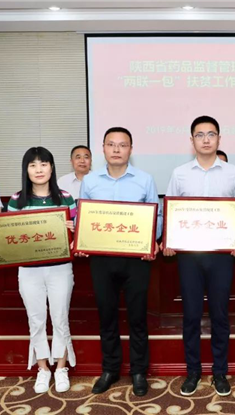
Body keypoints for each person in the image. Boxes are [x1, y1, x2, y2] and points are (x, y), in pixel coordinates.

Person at [163, 115, 235, 397]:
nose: (206, 140)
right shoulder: (180, 173)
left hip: (222, 256)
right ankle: (193, 371)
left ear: (219, 139)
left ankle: (220, 372)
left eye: (211, 134)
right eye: (200, 135)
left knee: (220, 315)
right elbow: (171, 209)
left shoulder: (233, 173)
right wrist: (169, 240)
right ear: (192, 141)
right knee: (191, 315)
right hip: (189, 256)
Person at [0, 147, 77, 394]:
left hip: (60, 269)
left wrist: (73, 232)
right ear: (26, 170)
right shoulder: (17, 200)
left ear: (52, 168)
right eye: (33, 165)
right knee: (36, 320)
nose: (39, 169)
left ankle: (61, 367)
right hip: (29, 270)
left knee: (60, 318)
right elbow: (8, 233)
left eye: (44, 164)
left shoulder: (66, 197)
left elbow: (79, 233)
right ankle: (42, 368)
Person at [79, 127, 162, 397]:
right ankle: (110, 369)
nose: (116, 149)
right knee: (107, 315)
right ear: (103, 148)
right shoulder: (90, 181)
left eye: (122, 145)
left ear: (131, 149)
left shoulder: (145, 179)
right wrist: (82, 240)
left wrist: (152, 241)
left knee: (138, 317)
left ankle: (138, 371)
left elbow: (156, 216)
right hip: (102, 259)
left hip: (136, 259)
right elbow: (83, 216)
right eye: (111, 144)